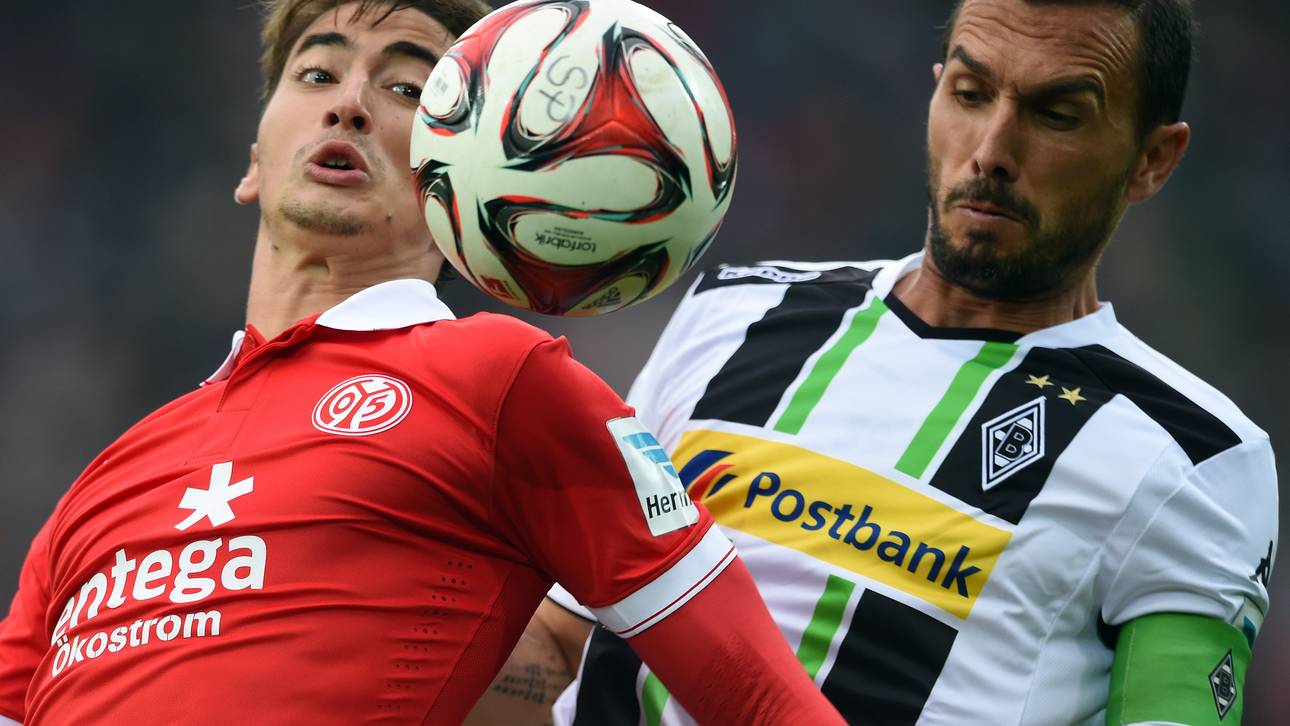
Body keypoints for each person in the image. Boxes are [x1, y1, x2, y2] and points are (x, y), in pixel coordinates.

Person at [0, 2, 846, 724]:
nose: (352, 106)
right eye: (317, 75)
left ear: (460, 171)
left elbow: (763, 701)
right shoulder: (106, 477)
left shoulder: (502, 380)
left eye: (407, 88)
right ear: (254, 159)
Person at [486, 0, 1280, 724]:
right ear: (936, 93)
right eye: (971, 94)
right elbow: (565, 648)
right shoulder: (736, 311)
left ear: (1154, 159)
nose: (993, 150)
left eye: (1058, 115)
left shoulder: (1195, 457)